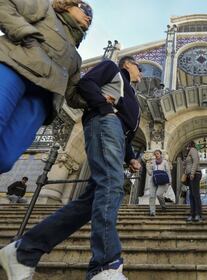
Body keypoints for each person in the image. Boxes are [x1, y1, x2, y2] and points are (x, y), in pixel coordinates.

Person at [0, 55, 143, 280]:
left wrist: (130, 157)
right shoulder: (111, 69)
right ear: (127, 64)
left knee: (88, 203)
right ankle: (104, 264)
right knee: (112, 184)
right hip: (104, 124)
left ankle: (24, 252)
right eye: (139, 67)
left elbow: (125, 127)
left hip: (116, 134)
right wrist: (103, 106)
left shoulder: (133, 93)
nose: (141, 73)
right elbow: (86, 84)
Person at [0, 0, 93, 173]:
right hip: (14, 69)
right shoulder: (46, 10)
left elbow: (72, 94)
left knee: (5, 158)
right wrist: (26, 35)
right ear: (67, 4)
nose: (89, 16)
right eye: (84, 8)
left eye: (91, 16)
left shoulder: (76, 57)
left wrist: (99, 100)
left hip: (42, 99)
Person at [183, 141, 202, 222]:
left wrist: (192, 173)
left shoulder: (193, 150)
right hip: (190, 175)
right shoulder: (188, 153)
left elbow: (195, 161)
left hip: (195, 174)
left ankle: (198, 214)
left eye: (187, 146)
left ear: (190, 145)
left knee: (195, 194)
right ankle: (193, 214)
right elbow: (187, 164)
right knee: (191, 195)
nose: (186, 147)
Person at [147, 150, 171, 216]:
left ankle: (163, 206)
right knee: (152, 196)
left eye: (157, 153)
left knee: (159, 194)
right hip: (153, 179)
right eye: (155, 154)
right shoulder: (152, 162)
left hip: (162, 179)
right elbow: (149, 173)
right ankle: (152, 211)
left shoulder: (165, 162)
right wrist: (148, 166)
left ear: (160, 154)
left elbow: (168, 171)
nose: (156, 155)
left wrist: (169, 180)